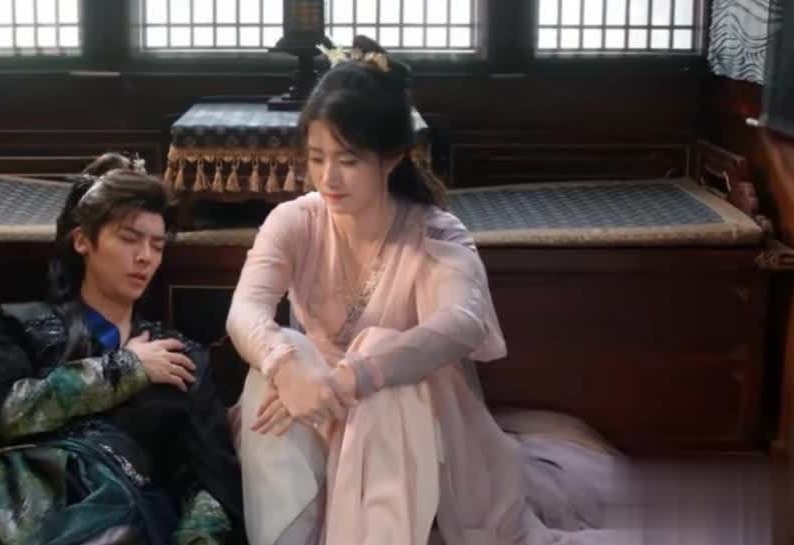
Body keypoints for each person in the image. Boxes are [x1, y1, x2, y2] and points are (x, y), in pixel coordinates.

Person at [225, 37, 632, 545]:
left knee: (383, 355)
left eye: (348, 160)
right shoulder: (295, 221)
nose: (328, 178)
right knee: (277, 361)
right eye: (316, 157)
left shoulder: (436, 233)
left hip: (409, 424)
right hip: (318, 413)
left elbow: (461, 323)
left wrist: (355, 375)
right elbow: (246, 309)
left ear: (392, 157)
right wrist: (286, 366)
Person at [0, 153, 244, 545]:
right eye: (129, 238)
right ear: (82, 241)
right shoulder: (16, 327)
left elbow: (208, 480)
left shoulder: (179, 356)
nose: (145, 257)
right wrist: (125, 368)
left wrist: (198, 539)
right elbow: (7, 415)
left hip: (114, 515)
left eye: (157, 245)